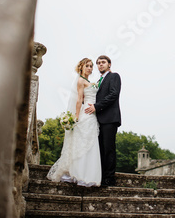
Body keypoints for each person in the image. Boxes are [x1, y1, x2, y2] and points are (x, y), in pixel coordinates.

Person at [47, 58, 101, 187]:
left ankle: (88, 174)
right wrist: (76, 117)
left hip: (93, 114)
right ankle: (77, 174)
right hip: (85, 114)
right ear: (81, 67)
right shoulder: (80, 80)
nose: (90, 68)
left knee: (90, 143)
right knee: (81, 143)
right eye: (87, 66)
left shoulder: (90, 82)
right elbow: (79, 100)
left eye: (91, 66)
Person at [85, 55, 121, 187]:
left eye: (103, 62)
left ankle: (109, 178)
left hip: (110, 118)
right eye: (98, 63)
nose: (100, 65)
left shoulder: (114, 76)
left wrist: (96, 106)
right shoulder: (98, 81)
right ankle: (100, 175)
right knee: (99, 149)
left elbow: (113, 94)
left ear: (109, 64)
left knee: (109, 148)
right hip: (98, 119)